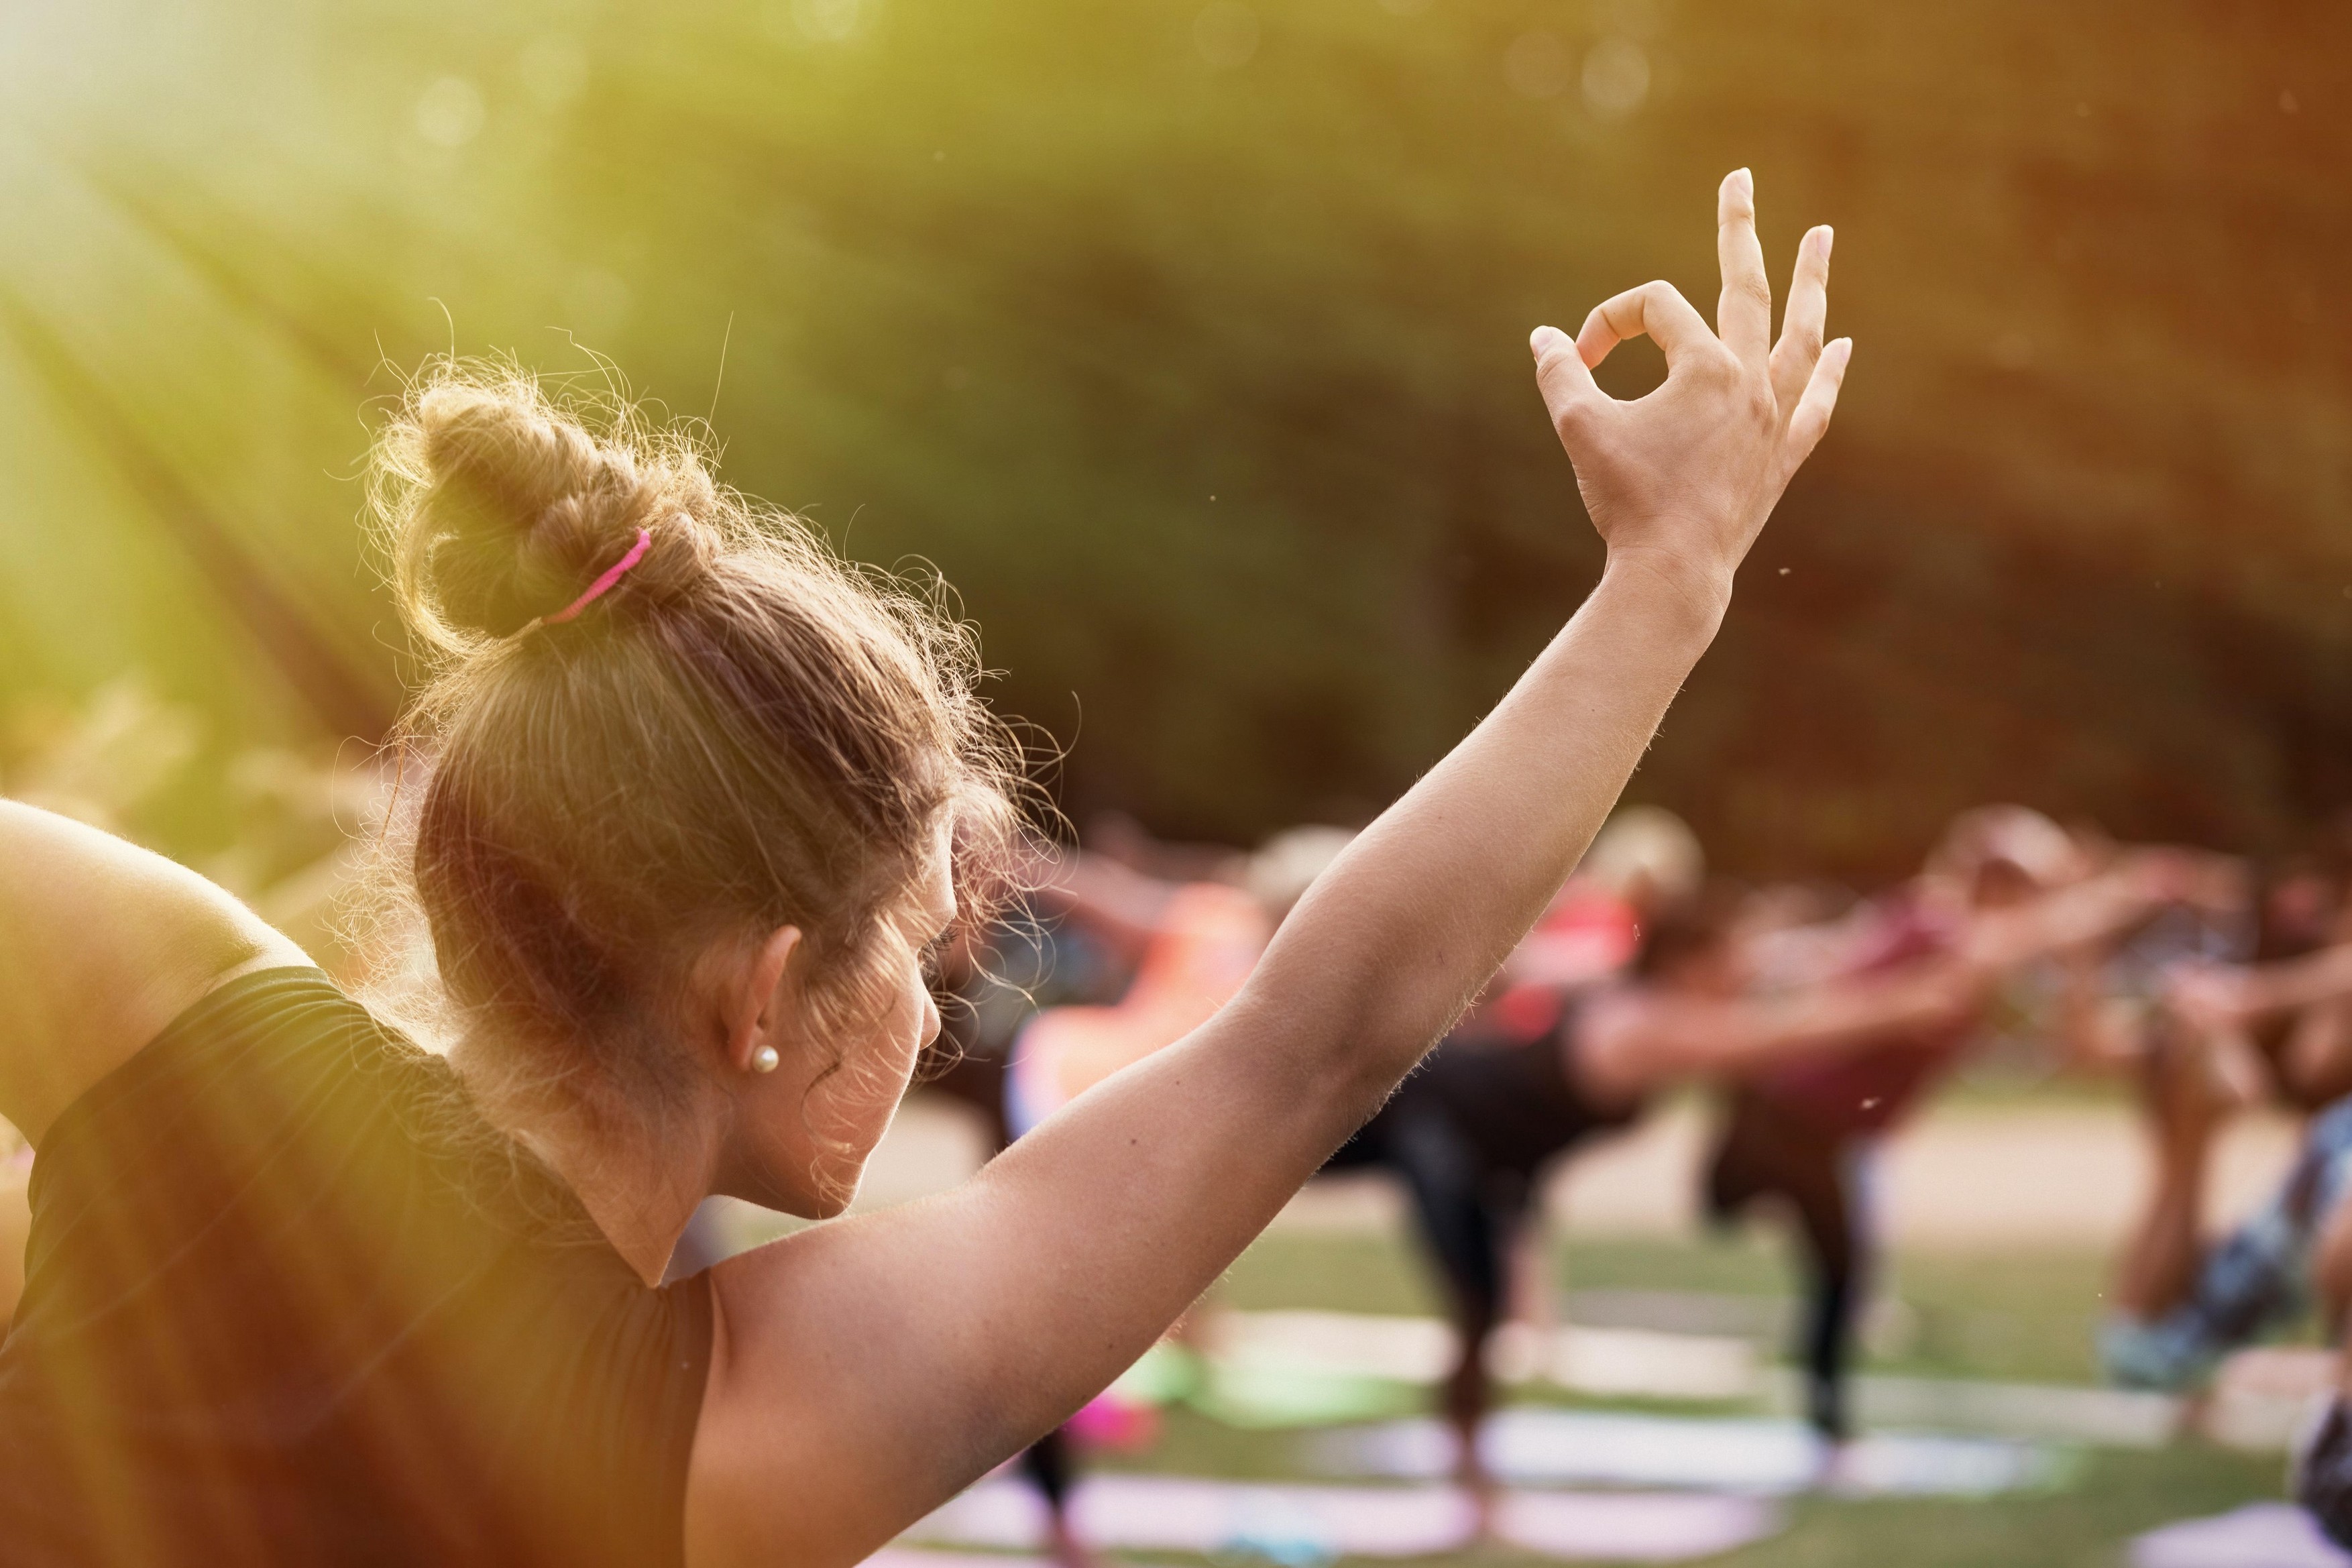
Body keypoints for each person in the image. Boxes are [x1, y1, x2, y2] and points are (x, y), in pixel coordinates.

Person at [0, 172, 1850, 1567]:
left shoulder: (180, 1028)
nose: (932, 995)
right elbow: (1309, 1040)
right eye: (901, 942)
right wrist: (1665, 580)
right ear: (751, 992)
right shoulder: (713, 1442)